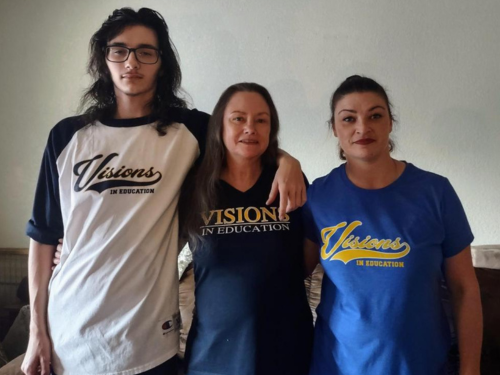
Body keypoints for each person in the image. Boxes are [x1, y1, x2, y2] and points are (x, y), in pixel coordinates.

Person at [22, 8, 305, 375]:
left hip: (151, 344)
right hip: (71, 335)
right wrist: (36, 332)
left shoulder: (188, 129)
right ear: (103, 58)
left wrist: (288, 161)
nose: (131, 62)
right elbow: (43, 237)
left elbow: (243, 136)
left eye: (145, 52)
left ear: (161, 62)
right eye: (119, 50)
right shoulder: (67, 136)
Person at [302, 75, 483, 375]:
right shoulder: (318, 197)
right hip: (335, 366)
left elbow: (465, 289)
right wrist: (283, 161)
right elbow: (290, 276)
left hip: (422, 366)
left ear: (390, 122)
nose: (363, 127)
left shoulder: (436, 193)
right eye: (349, 119)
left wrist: (470, 369)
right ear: (334, 128)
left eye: (375, 115)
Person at [181, 83, 314, 375]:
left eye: (261, 120)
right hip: (213, 354)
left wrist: (287, 159)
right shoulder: (194, 186)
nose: (250, 128)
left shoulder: (289, 180)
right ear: (219, 125)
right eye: (238, 118)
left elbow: (308, 254)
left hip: (286, 349)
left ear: (271, 128)